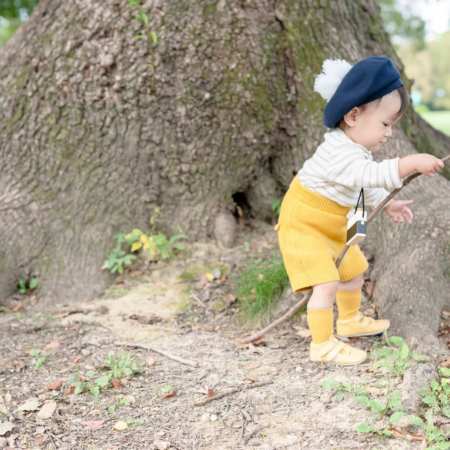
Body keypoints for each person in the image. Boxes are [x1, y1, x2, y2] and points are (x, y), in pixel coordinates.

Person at [275, 55, 444, 366]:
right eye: (385, 123)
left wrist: (388, 202)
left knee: (353, 270)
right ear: (353, 116)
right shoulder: (338, 151)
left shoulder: (357, 152)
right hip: (304, 224)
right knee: (325, 282)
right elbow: (369, 175)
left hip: (333, 222)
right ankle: (322, 343)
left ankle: (349, 319)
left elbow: (364, 183)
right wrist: (411, 163)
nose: (389, 133)